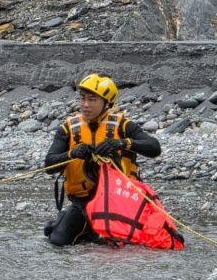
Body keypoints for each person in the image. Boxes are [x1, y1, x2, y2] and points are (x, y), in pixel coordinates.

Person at [43, 74, 161, 246]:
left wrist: (122, 143)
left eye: (92, 100)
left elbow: (154, 147)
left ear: (107, 103)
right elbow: (49, 165)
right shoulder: (67, 129)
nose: (85, 104)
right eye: (82, 98)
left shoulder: (123, 126)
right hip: (83, 202)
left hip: (119, 201)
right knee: (58, 241)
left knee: (124, 245)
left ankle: (95, 231)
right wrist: (72, 154)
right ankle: (77, 225)